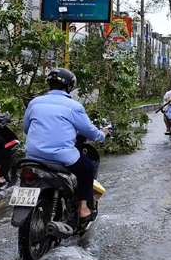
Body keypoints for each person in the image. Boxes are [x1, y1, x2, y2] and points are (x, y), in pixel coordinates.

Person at [24, 68, 109, 220]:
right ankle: (83, 209)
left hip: (33, 155)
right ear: (69, 87)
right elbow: (89, 131)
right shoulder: (73, 106)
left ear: (49, 85)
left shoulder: (34, 103)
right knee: (87, 168)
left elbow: (26, 128)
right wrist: (102, 135)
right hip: (61, 156)